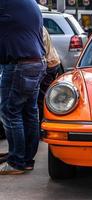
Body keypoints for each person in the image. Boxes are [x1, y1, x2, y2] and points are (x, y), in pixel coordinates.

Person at [0, 0, 47, 175]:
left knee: (10, 112)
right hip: (35, 62)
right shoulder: (30, 3)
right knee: (29, 112)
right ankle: (25, 159)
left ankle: (16, 161)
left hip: (19, 64)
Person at [37, 27, 61, 137]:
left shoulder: (38, 28)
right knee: (44, 97)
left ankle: (42, 128)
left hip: (49, 64)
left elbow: (41, 51)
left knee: (42, 99)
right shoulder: (40, 26)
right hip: (53, 62)